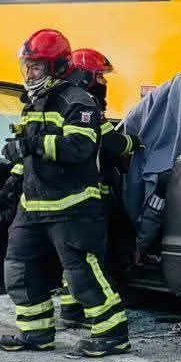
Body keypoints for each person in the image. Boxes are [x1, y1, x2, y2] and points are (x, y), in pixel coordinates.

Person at [0, 29, 136, 358]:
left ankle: (113, 335)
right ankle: (36, 333)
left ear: (56, 66)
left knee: (83, 275)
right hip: (33, 205)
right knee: (18, 268)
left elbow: (79, 147)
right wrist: (12, 184)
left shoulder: (78, 102)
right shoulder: (33, 103)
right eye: (27, 66)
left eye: (36, 67)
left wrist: (33, 144)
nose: (30, 73)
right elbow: (27, 153)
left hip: (73, 207)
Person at [45, 47, 124, 329]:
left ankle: (71, 309)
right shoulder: (86, 106)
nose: (104, 81)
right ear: (86, 75)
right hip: (87, 196)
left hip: (69, 194)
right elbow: (113, 145)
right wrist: (135, 143)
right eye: (100, 76)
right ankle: (103, 321)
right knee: (89, 258)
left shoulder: (63, 102)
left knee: (74, 257)